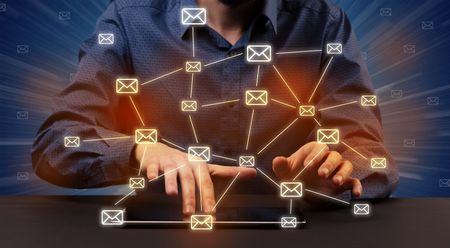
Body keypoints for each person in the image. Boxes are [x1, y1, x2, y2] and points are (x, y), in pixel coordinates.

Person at [32, 0, 398, 218]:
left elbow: (371, 154)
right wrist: (138, 151)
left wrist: (335, 173)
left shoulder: (323, 24)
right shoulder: (129, 21)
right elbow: (55, 143)